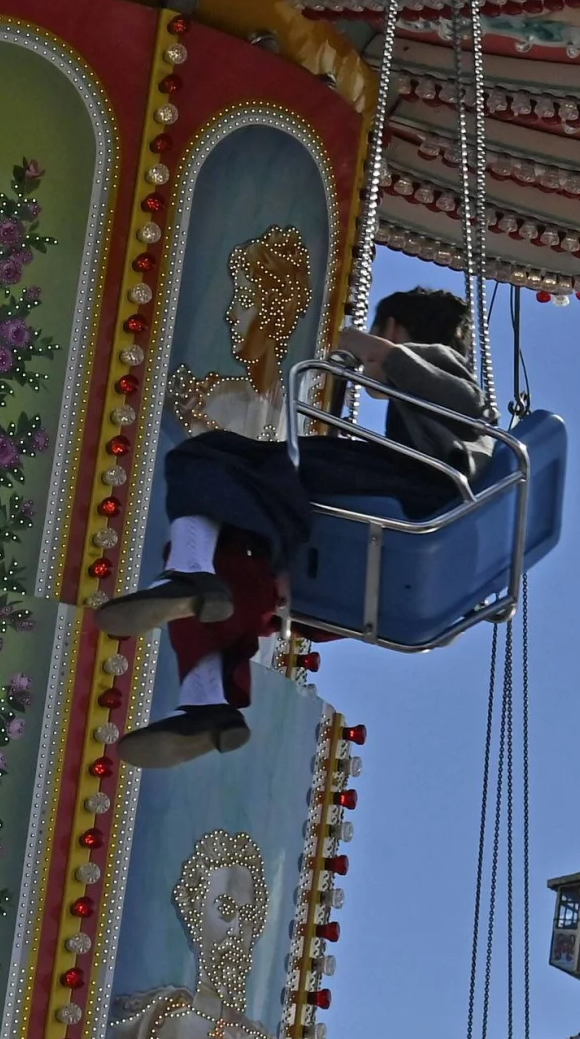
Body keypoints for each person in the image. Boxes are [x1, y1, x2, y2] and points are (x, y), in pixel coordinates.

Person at [102, 288, 499, 767]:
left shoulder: (440, 365)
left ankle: (196, 570)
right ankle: (207, 705)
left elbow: (431, 379)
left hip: (413, 490)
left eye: (381, 330)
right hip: (389, 546)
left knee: (206, 454)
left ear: (393, 328)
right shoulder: (430, 413)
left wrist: (355, 343)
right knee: (230, 558)